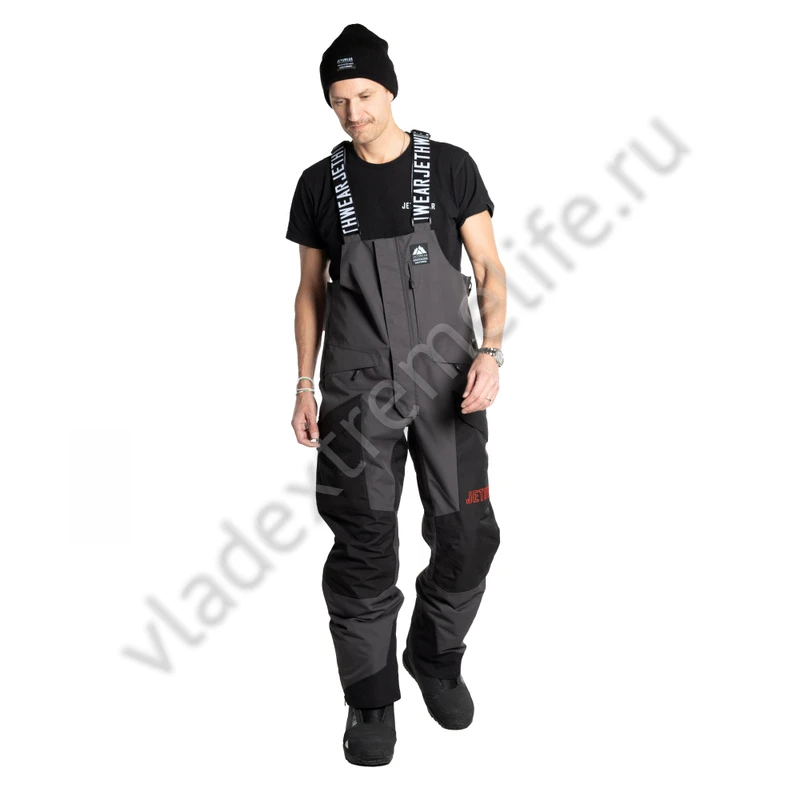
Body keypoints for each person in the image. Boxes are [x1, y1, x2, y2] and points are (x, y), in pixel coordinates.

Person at [286, 23, 507, 767]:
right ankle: (371, 698)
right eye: (339, 100)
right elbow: (310, 293)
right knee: (363, 547)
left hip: (449, 383)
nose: (354, 112)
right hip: (355, 390)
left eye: (365, 94)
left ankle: (434, 656)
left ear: (390, 89)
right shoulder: (318, 184)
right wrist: (303, 384)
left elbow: (489, 269)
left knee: (468, 536)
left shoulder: (450, 167)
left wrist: (491, 351)